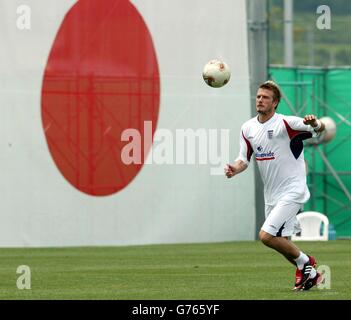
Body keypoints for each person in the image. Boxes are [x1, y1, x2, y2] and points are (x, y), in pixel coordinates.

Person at [225, 80, 325, 291]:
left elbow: (320, 130)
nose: (260, 100)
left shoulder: (286, 123)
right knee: (283, 243)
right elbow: (243, 159)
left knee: (266, 236)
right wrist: (234, 168)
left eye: (266, 98)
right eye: (259, 96)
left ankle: (307, 262)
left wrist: (315, 123)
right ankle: (313, 276)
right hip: (271, 194)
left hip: (293, 190)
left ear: (275, 103)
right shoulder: (248, 128)